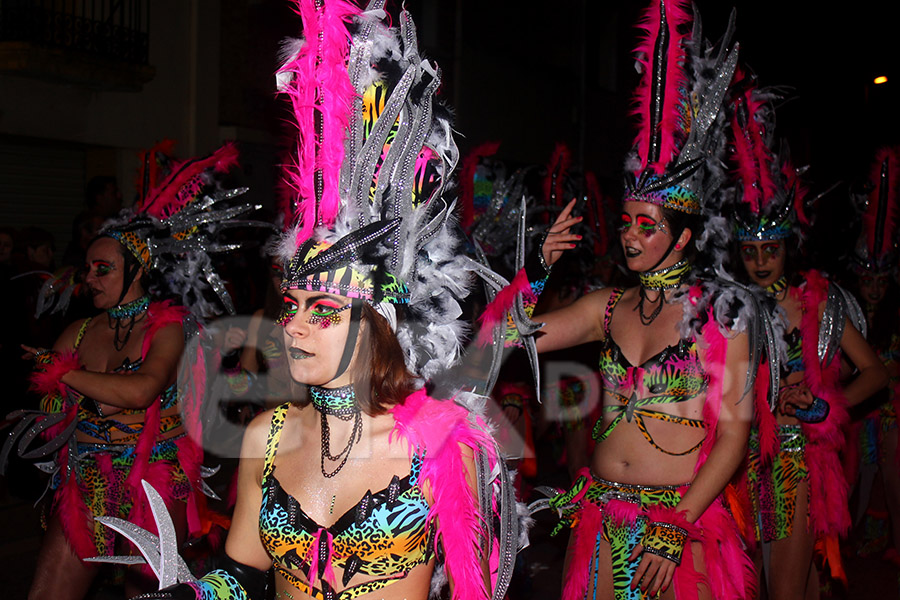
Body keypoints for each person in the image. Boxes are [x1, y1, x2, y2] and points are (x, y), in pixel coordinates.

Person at [91, 3, 520, 599]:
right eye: (291, 307)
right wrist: (191, 594)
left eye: (323, 312)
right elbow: (243, 570)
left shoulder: (443, 447)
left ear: (380, 321)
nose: (292, 328)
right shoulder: (267, 435)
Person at [511, 3, 766, 598]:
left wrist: (675, 526)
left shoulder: (721, 314)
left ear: (682, 235)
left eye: (645, 225)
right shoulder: (607, 306)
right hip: (602, 517)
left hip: (683, 521)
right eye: (625, 222)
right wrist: (535, 269)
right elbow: (508, 337)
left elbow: (735, 437)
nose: (628, 234)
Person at [3, 142, 254, 600]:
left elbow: (142, 390)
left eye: (104, 269)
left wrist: (63, 374)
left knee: (151, 597)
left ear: (137, 269)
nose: (91, 279)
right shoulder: (77, 333)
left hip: (154, 481)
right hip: (86, 480)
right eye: (88, 270)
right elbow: (52, 416)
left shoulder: (168, 327)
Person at [727, 83, 888, 599]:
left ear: (787, 246)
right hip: (733, 463)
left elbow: (876, 375)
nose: (759, 261)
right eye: (749, 251)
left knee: (786, 592)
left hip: (792, 461)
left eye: (769, 248)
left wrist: (824, 404)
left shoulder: (820, 302)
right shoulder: (728, 308)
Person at [844, 147, 900, 567]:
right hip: (858, 416)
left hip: (892, 413)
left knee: (894, 482)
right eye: (869, 280)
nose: (875, 289)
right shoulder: (849, 316)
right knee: (851, 485)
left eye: (882, 281)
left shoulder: (895, 319)